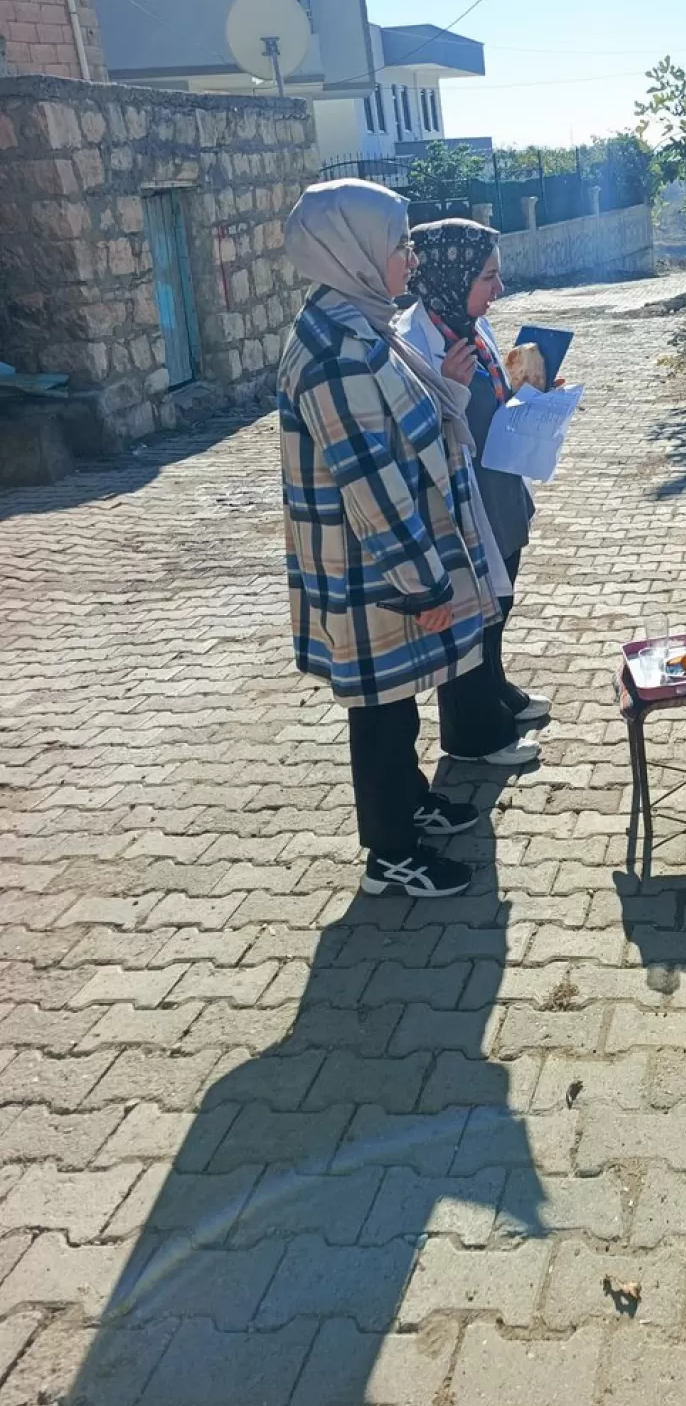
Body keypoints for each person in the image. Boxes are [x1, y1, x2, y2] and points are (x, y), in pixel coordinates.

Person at [278, 179, 502, 899]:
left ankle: (409, 805)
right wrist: (424, 583)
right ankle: (390, 854)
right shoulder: (334, 350)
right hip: (373, 566)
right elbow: (370, 482)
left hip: (385, 561)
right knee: (377, 712)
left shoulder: (357, 320)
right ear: (352, 250)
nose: (409, 258)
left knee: (398, 699)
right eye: (398, 244)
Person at [397, 218, 549, 767]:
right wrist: (451, 389)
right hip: (463, 501)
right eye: (488, 277)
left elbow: (492, 390)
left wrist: (529, 390)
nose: (498, 289)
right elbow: (413, 432)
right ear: (450, 275)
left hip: (498, 485)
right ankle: (472, 735)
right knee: (472, 615)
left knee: (499, 603)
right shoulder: (413, 343)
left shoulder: (469, 323)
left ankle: (497, 691)